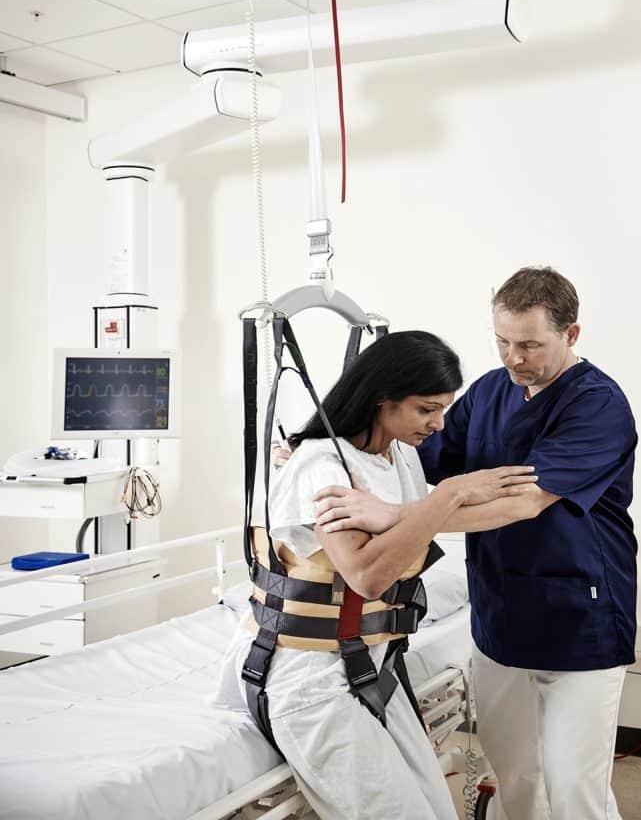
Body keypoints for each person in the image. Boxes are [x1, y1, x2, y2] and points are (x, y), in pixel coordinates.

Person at [314, 268, 638, 820]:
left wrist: (397, 515)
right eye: (503, 341)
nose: (514, 357)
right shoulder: (491, 390)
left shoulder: (598, 405)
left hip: (579, 622)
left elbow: (523, 503)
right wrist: (322, 447)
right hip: (500, 613)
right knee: (516, 776)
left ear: (571, 334)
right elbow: (419, 462)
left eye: (531, 345)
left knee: (573, 788)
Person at [218, 329, 544, 820]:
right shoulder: (321, 466)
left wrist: (506, 502)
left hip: (371, 668)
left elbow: (417, 520)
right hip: (310, 682)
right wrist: (449, 494)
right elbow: (367, 576)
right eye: (426, 409)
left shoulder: (401, 455)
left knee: (436, 811)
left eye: (443, 409)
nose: (438, 424)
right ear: (381, 399)